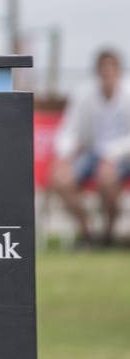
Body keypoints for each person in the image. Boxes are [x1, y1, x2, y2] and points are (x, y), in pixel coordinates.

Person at [50, 48, 130, 245]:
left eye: (112, 70)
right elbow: (70, 129)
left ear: (119, 71)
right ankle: (88, 232)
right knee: (60, 179)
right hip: (92, 154)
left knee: (107, 178)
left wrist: (112, 155)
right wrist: (64, 157)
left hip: (124, 156)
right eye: (103, 71)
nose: (107, 75)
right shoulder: (84, 95)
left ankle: (109, 235)